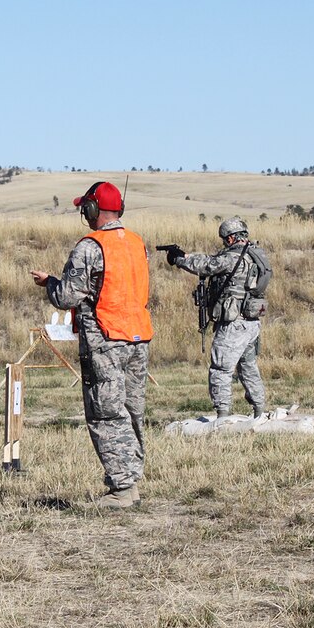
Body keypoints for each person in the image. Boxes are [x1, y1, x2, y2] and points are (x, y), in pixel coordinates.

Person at [30, 181, 152, 510]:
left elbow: (66, 296)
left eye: (85, 208)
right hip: (138, 337)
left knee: (106, 413)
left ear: (92, 210)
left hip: (106, 340)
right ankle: (131, 482)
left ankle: (123, 489)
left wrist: (49, 283)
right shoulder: (137, 243)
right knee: (131, 411)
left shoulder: (90, 247)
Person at [163, 218, 270, 418]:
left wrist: (179, 260)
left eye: (224, 240)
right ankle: (259, 410)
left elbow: (209, 265)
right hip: (251, 321)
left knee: (221, 368)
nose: (223, 243)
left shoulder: (233, 257)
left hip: (233, 324)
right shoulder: (256, 254)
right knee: (248, 367)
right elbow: (213, 261)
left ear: (230, 238)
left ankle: (222, 415)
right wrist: (186, 255)